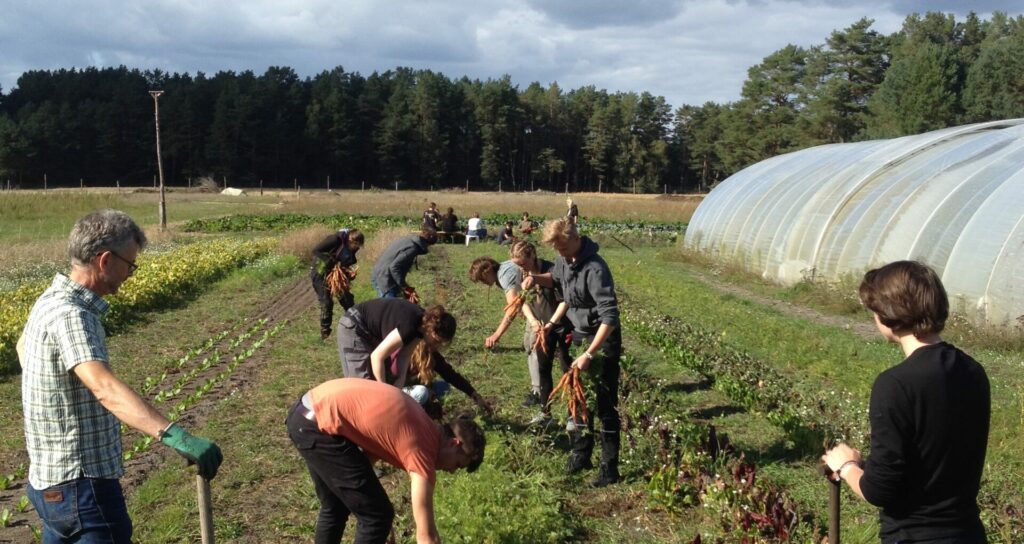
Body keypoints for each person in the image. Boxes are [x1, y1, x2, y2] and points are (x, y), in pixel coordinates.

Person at [17, 210, 223, 543]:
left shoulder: (48, 302)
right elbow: (104, 387)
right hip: (83, 488)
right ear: (105, 260)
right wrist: (176, 437)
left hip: (47, 484)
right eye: (130, 264)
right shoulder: (74, 315)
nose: (131, 274)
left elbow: (23, 349)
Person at [822, 261, 990, 544]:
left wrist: (847, 465)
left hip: (915, 536)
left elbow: (879, 491)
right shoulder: (973, 371)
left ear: (887, 315)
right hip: (968, 533)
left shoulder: (895, 385)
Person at [287, 378, 486, 544]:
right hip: (320, 425)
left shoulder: (424, 425)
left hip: (308, 412)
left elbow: (368, 456)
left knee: (337, 506)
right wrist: (379, 520)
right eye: (458, 464)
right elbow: (427, 537)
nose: (451, 471)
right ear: (454, 443)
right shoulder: (423, 451)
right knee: (377, 517)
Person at [522, 218, 621, 487]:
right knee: (576, 398)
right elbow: (555, 278)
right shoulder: (565, 261)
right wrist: (534, 278)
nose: (560, 254)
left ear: (576, 238)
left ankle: (610, 467)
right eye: (557, 250)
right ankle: (581, 453)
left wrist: (590, 354)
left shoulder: (595, 269)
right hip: (578, 336)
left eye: (563, 248)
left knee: (604, 402)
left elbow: (609, 317)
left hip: (602, 341)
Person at [337, 298, 493, 415]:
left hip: (371, 333)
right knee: (362, 386)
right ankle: (352, 427)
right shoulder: (410, 326)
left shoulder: (421, 329)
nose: (437, 346)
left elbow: (404, 356)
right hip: (355, 327)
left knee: (376, 389)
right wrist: (386, 392)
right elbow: (377, 356)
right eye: (437, 341)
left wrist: (398, 385)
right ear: (432, 331)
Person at [509, 241, 573, 425]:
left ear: (532, 255)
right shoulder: (520, 273)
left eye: (523, 263)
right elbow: (523, 301)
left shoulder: (552, 269)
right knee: (543, 369)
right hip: (543, 328)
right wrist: (533, 321)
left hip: (562, 325)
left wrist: (553, 322)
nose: (521, 267)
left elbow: (565, 301)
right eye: (517, 264)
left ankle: (572, 416)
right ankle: (546, 414)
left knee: (567, 370)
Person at [468, 255, 542, 409]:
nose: (483, 283)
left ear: (487, 271)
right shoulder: (504, 268)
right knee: (528, 345)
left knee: (533, 346)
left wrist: (496, 335)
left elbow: (513, 308)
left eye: (482, 279)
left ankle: (539, 392)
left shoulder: (503, 275)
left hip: (541, 308)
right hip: (535, 306)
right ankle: (537, 388)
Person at [311, 228, 365, 340]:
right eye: (355, 245)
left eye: (358, 246)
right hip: (320, 273)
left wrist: (348, 272)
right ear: (350, 239)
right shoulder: (335, 239)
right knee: (326, 302)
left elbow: (349, 260)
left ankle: (357, 325)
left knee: (346, 298)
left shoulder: (352, 246)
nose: (356, 248)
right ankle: (325, 332)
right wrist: (331, 260)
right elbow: (316, 250)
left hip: (336, 275)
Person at [370, 227, 437, 299]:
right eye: (429, 245)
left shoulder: (409, 240)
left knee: (396, 304)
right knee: (391, 308)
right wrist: (404, 287)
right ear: (426, 243)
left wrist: (404, 287)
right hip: (384, 278)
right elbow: (394, 267)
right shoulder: (412, 248)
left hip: (381, 274)